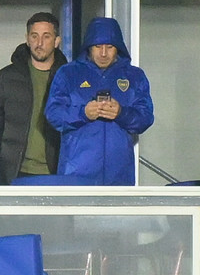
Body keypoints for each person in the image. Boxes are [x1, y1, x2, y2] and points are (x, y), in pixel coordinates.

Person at [45, 17, 154, 185]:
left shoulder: (134, 76)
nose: (103, 53)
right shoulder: (68, 74)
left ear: (118, 48)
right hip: (76, 176)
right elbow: (53, 113)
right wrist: (83, 113)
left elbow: (145, 118)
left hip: (119, 177)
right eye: (98, 46)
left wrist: (121, 113)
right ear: (89, 46)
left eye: (109, 47)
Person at [0, 12, 70, 183]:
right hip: (14, 172)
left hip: (59, 172)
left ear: (57, 41)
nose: (39, 43)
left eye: (46, 36)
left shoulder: (70, 78)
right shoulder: (6, 78)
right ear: (27, 39)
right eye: (34, 36)